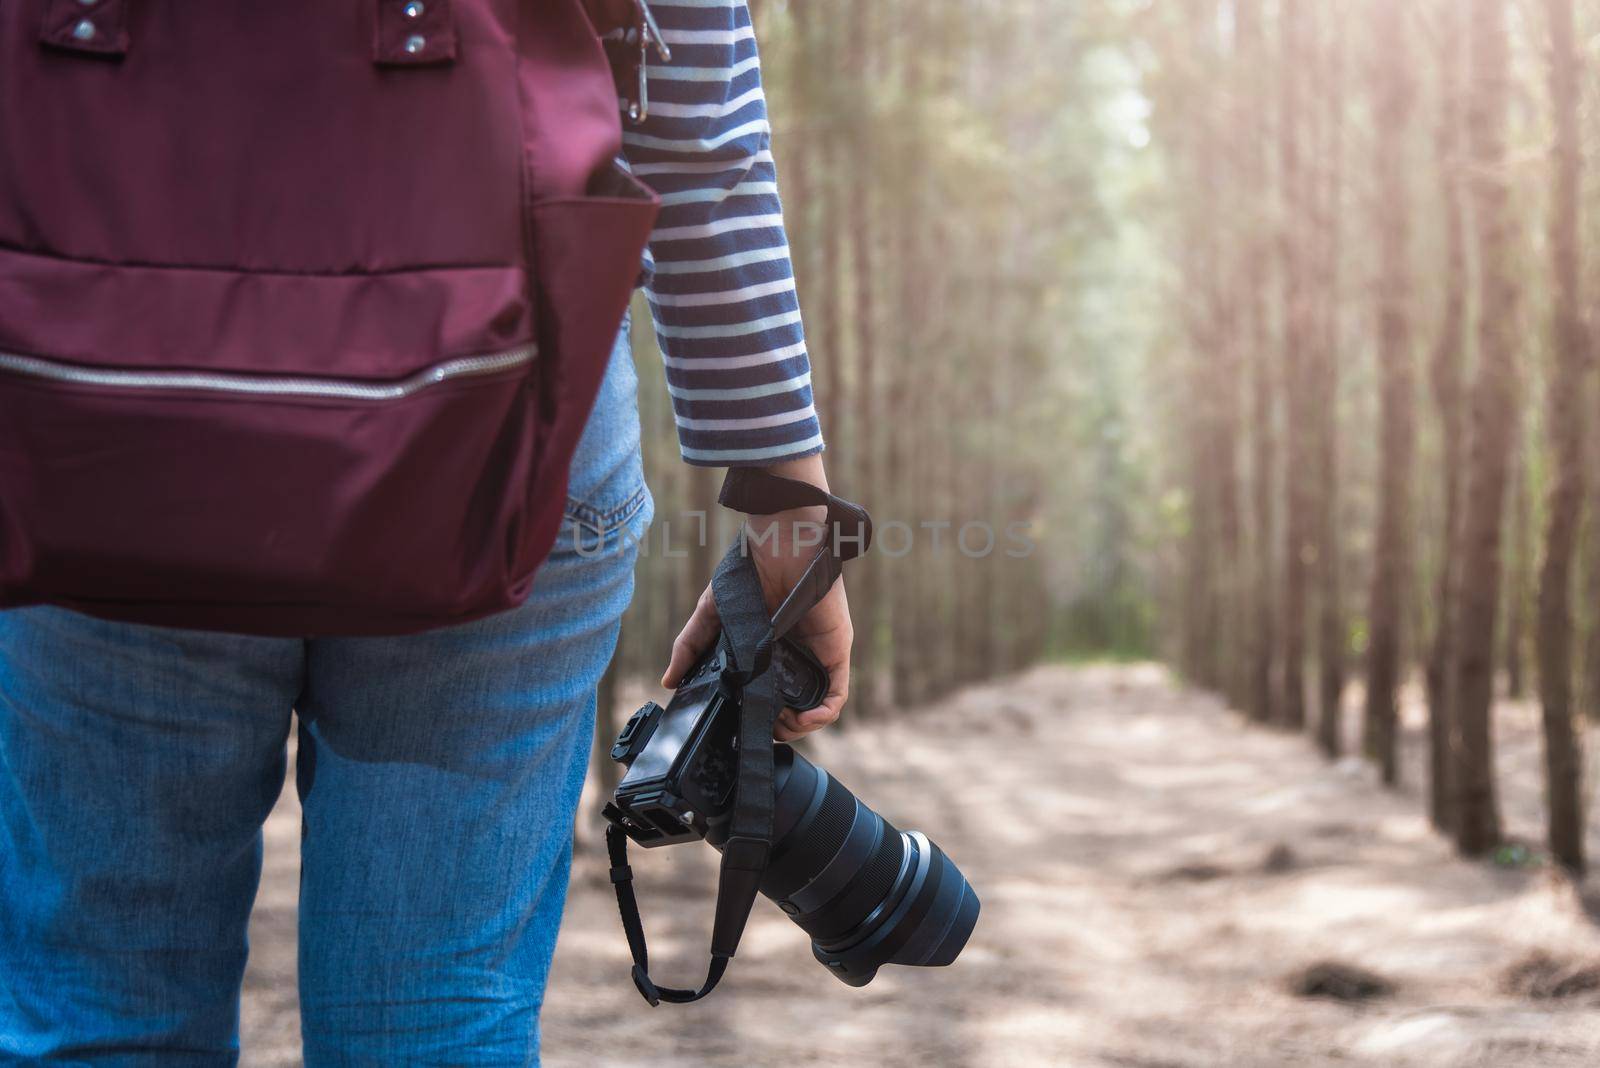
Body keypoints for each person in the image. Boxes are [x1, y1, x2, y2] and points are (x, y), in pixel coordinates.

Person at [0, 1, 850, 1063]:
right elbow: (691, 110)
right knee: (432, 1019)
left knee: (102, 1017)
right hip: (502, 431)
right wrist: (784, 501)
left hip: (101, 413)